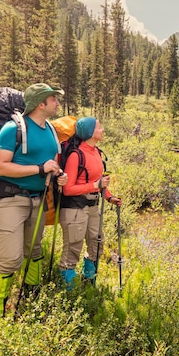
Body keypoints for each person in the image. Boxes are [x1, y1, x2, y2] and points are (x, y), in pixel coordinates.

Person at [0, 83, 68, 321]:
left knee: (34, 251)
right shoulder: (12, 129)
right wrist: (39, 169)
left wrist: (58, 174)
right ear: (40, 103)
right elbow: (1, 166)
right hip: (11, 199)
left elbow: (52, 162)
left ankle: (31, 297)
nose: (57, 103)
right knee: (11, 258)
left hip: (38, 200)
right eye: (53, 99)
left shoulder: (51, 131)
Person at [59, 116, 121, 288]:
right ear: (90, 132)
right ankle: (68, 293)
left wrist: (109, 197)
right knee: (73, 247)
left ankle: (89, 284)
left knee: (96, 244)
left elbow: (100, 180)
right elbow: (67, 189)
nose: (102, 130)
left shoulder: (97, 152)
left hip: (93, 207)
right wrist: (95, 185)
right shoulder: (75, 155)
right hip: (75, 208)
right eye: (99, 127)